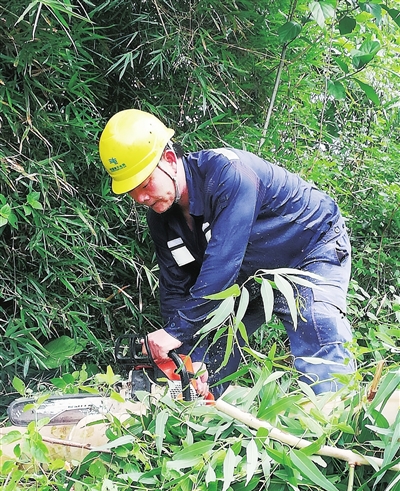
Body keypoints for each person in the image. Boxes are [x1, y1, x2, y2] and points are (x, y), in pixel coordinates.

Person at [99, 109, 355, 399]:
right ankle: (200, 414)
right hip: (248, 274)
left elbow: (221, 265)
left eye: (145, 183)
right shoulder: (161, 218)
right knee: (210, 356)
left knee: (315, 323)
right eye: (132, 191)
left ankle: (338, 421)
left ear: (169, 160)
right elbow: (175, 287)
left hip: (310, 248)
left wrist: (177, 331)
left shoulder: (228, 175)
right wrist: (183, 351)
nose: (141, 197)